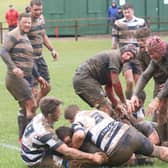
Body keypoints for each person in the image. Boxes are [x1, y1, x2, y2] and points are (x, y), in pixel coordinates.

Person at [62, 106, 168, 166]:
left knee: (94, 159)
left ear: (70, 120)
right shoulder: (95, 111)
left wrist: (75, 149)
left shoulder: (77, 122)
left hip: (117, 149)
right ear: (79, 110)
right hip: (130, 133)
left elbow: (79, 135)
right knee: (157, 151)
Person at [21, 96, 107, 167]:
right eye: (58, 112)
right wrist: (92, 157)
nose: (60, 113)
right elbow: (66, 151)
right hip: (37, 159)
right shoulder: (44, 132)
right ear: (50, 115)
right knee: (73, 164)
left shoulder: (42, 116)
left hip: (39, 149)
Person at [0, 13, 48, 140]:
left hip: (26, 77)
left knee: (25, 107)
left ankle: (22, 138)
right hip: (15, 78)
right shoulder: (13, 35)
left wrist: (38, 77)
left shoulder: (25, 37)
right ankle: (30, 136)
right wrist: (13, 67)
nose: (27, 25)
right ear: (18, 22)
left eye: (29, 23)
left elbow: (30, 61)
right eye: (25, 22)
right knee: (32, 104)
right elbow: (3, 51)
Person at [73, 44, 138, 116]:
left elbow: (108, 88)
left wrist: (116, 104)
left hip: (84, 79)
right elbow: (116, 84)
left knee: (109, 108)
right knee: (106, 109)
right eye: (128, 54)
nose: (128, 58)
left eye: (131, 58)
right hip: (85, 78)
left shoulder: (118, 63)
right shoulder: (115, 56)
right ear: (123, 50)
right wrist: (123, 101)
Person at [129, 36, 168, 144]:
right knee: (161, 111)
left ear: (160, 50)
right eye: (148, 54)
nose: (150, 57)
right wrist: (135, 94)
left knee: (160, 105)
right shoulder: (156, 58)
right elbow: (145, 76)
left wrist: (157, 99)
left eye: (152, 53)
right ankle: (164, 141)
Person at [28, 0, 59, 104]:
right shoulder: (26, 22)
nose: (38, 12)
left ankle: (33, 107)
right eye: (36, 10)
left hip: (40, 58)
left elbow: (43, 35)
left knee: (47, 86)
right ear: (30, 8)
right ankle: (30, 112)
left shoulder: (41, 19)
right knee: (34, 89)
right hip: (29, 60)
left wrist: (52, 49)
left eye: (40, 9)